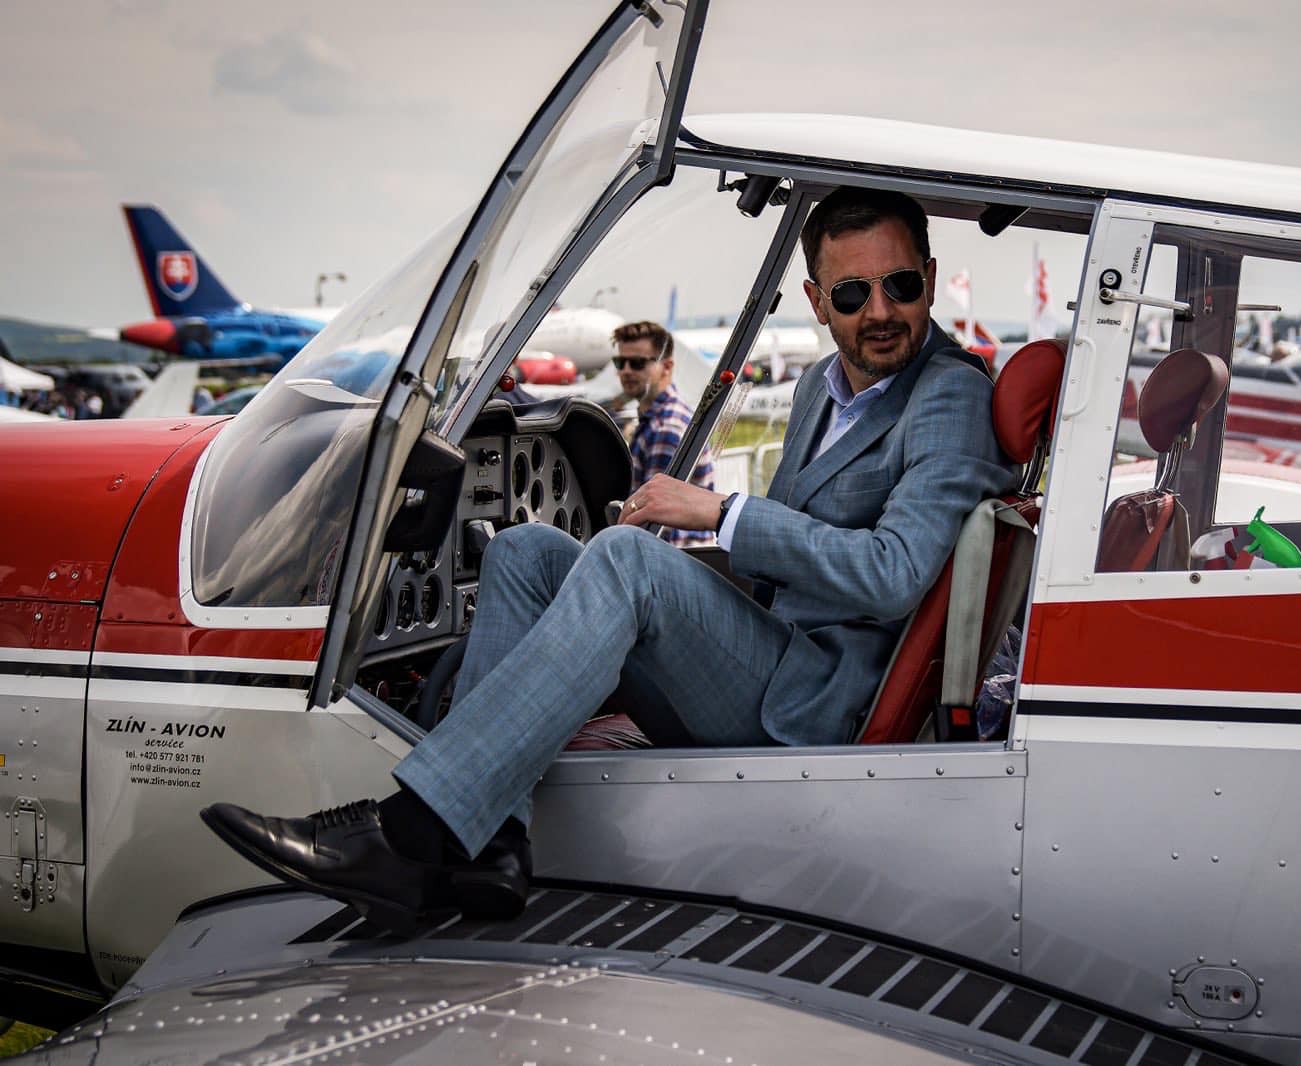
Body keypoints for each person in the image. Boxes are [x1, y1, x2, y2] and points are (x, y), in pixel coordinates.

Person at [200, 186, 1015, 931]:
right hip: (777, 653)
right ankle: (491, 848)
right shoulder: (820, 389)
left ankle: (414, 832)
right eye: (853, 294)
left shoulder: (949, 393)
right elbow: (784, 559)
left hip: (817, 700)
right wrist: (692, 576)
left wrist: (719, 513)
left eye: (899, 285)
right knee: (523, 550)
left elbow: (894, 572)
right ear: (816, 301)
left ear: (929, 278)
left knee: (624, 558)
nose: (880, 311)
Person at [612, 320, 716, 547]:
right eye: (620, 362)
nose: (626, 370)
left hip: (672, 555)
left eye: (637, 363)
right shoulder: (656, 420)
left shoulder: (666, 428)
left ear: (667, 367)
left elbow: (654, 525)